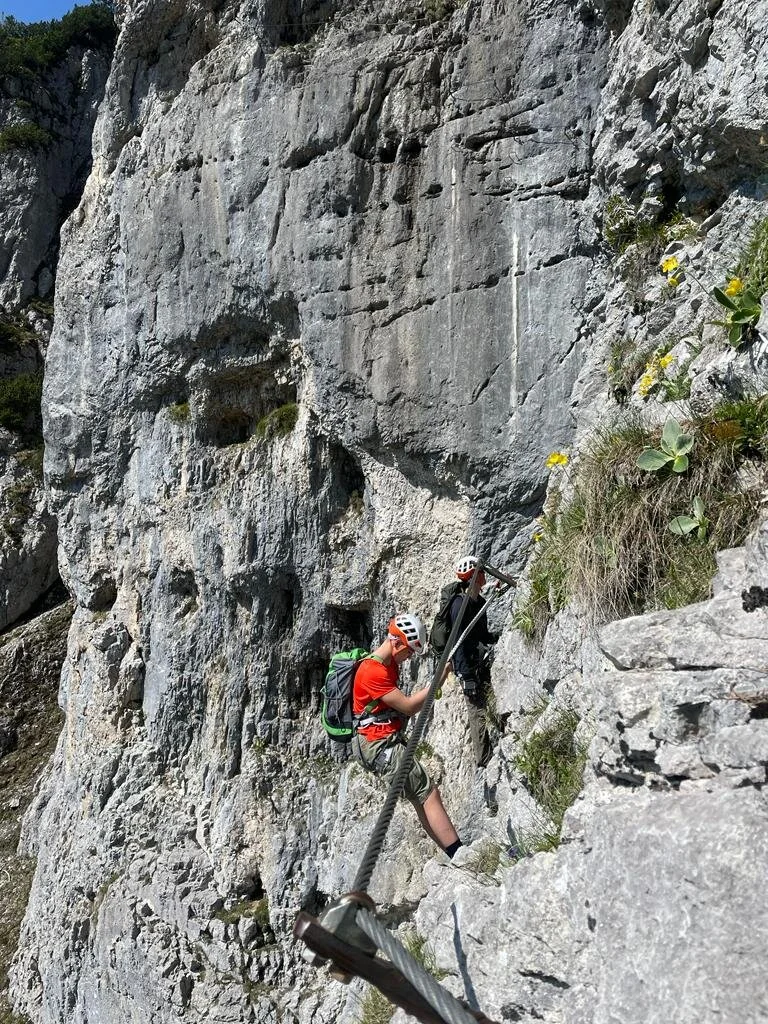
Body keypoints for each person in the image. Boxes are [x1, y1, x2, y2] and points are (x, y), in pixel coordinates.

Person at [351, 612, 465, 859]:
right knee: (428, 792)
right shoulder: (373, 672)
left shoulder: (386, 664)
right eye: (409, 650)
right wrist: (440, 678)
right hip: (379, 744)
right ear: (397, 642)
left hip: (378, 742)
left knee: (421, 797)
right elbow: (410, 706)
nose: (409, 657)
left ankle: (452, 854)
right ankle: (459, 853)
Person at [447, 556, 498, 768]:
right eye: (481, 572)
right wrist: (465, 675)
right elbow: (456, 642)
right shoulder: (460, 605)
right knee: (477, 712)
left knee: (491, 699)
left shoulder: (478, 601)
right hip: (467, 666)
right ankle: (484, 761)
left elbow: (481, 634)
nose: (485, 575)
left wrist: (497, 638)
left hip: (478, 661)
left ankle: (500, 731)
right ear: (475, 576)